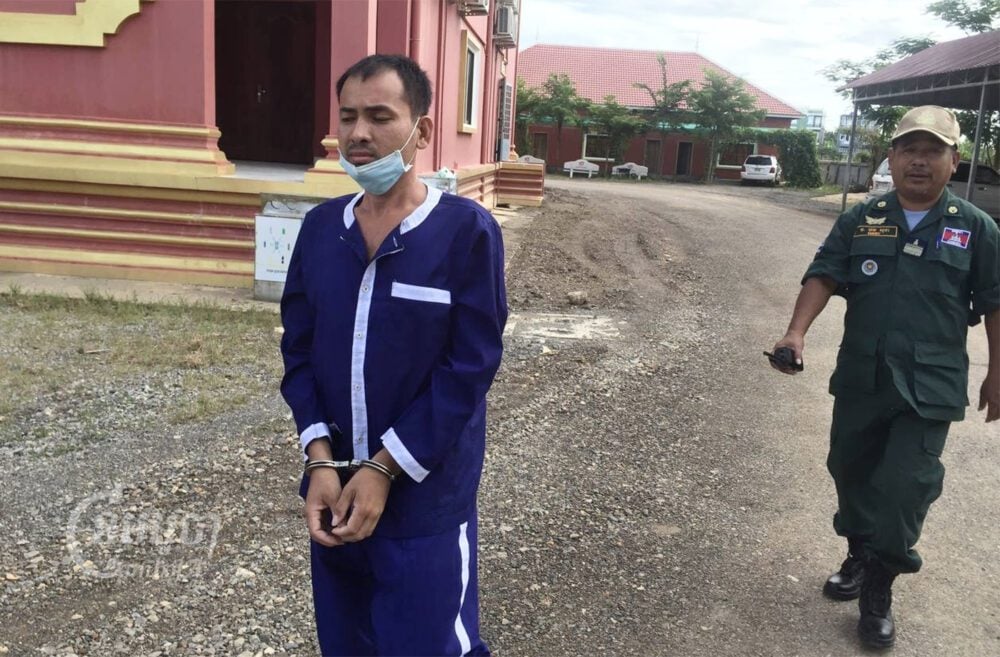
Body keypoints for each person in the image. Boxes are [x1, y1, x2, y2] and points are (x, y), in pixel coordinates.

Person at [280, 54, 507, 656]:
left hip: (423, 501)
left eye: (380, 116)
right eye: (348, 116)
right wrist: (321, 460)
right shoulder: (322, 230)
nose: (358, 134)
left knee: (431, 644)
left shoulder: (466, 232)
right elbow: (298, 353)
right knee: (347, 641)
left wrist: (385, 468)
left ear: (421, 131)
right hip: (333, 494)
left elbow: (469, 369)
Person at [770, 105, 999, 649]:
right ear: (891, 158)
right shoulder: (862, 218)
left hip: (931, 386)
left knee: (905, 488)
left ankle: (880, 586)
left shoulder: (977, 228)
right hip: (863, 377)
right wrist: (795, 333)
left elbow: (994, 302)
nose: (920, 161)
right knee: (850, 470)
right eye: (909, 150)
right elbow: (824, 273)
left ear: (954, 159)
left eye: (933, 151)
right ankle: (858, 551)